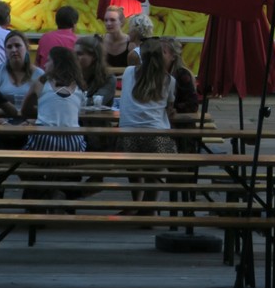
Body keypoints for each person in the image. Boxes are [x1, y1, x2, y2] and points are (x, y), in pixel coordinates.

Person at [118, 38, 177, 202]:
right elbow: (169, 108)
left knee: (134, 167)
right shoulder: (169, 80)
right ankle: (150, 207)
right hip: (156, 136)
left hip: (126, 137)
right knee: (158, 170)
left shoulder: (128, 72)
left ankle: (137, 202)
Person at [19, 46, 87, 152]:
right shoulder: (80, 86)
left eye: (48, 60)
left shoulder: (41, 82)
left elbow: (24, 110)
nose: (45, 65)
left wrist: (41, 115)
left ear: (57, 63)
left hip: (44, 141)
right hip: (73, 144)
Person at [0, 31, 44, 118]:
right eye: (9, 47)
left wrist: (5, 111)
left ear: (27, 48)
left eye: (17, 45)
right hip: (2, 123)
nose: (13, 50)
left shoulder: (40, 74)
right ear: (5, 51)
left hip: (31, 123)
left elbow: (46, 107)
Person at [161, 37, 199, 120]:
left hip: (178, 121)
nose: (158, 55)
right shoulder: (152, 72)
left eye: (163, 52)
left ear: (173, 57)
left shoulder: (182, 75)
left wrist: (170, 108)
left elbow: (192, 105)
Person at [74, 34, 117, 106]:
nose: (75, 57)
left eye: (79, 54)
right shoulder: (71, 75)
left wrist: (70, 101)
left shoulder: (108, 78)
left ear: (94, 56)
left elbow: (97, 102)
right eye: (74, 53)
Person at [102, 5, 131, 77]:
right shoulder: (99, 41)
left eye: (112, 20)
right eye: (106, 20)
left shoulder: (130, 42)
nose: (108, 23)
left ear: (121, 22)